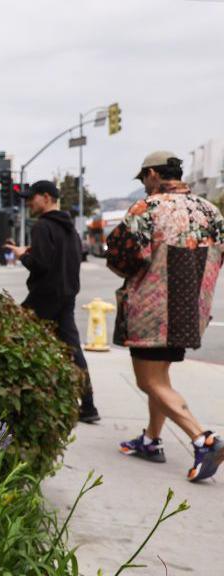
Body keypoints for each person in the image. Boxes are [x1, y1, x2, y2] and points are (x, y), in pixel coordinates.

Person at [107, 151, 224, 482]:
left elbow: (119, 257)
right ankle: (150, 440)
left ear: (154, 174)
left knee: (147, 381)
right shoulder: (211, 211)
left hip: (151, 310)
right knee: (161, 379)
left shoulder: (147, 209)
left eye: (144, 178)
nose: (144, 185)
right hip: (190, 311)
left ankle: (204, 439)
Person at [3, 180, 100, 424]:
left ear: (46, 197)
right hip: (66, 296)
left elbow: (41, 263)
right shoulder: (68, 226)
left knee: (12, 341)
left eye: (32, 198)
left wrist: (23, 254)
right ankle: (87, 405)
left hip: (43, 298)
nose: (28, 203)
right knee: (73, 351)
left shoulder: (43, 226)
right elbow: (68, 257)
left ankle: (19, 406)